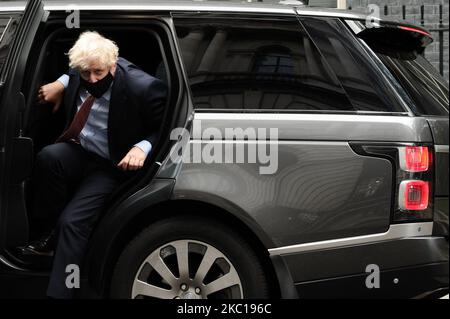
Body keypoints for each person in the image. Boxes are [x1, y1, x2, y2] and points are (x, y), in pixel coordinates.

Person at [19, 31, 167, 298]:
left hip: (110, 164)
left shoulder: (142, 87)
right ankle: (51, 233)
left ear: (113, 63)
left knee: (72, 222)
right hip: (81, 151)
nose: (92, 80)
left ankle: (63, 292)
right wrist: (61, 83)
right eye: (85, 74)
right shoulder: (82, 69)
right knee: (47, 157)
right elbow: (74, 72)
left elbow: (166, 127)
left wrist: (141, 147)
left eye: (98, 72)